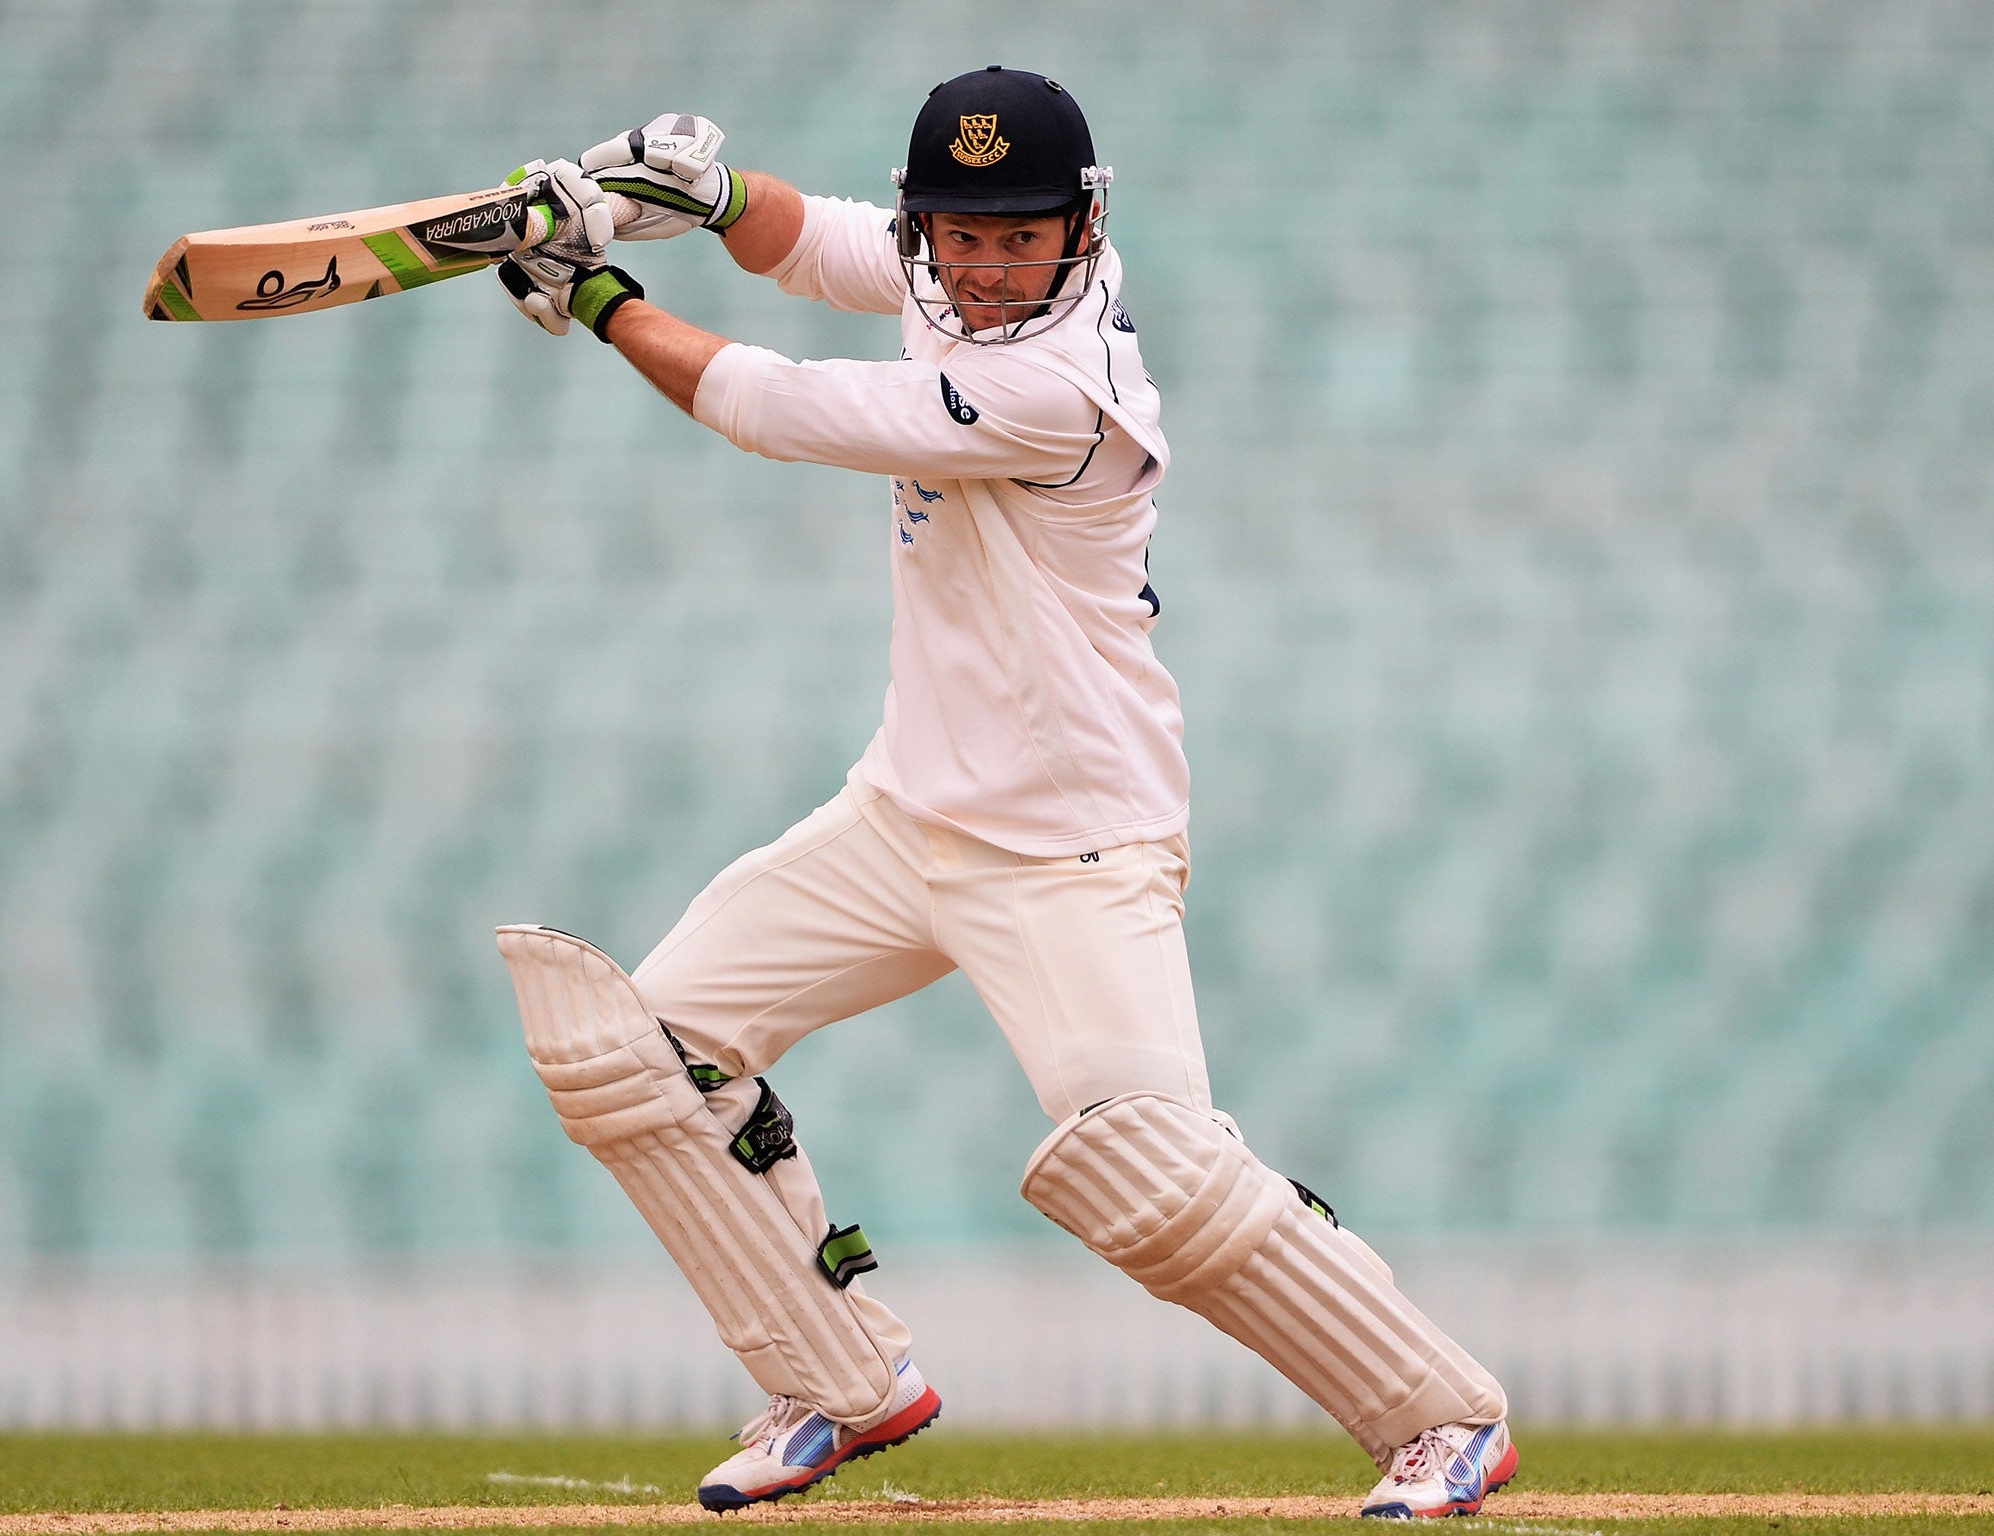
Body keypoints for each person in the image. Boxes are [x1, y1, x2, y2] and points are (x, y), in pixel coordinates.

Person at [489, 66, 1518, 1519]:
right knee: (641, 1052)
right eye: (958, 235)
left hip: (1072, 847)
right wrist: (707, 196)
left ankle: (1441, 1417)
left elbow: (777, 406)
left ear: (1081, 229)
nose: (982, 265)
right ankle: (834, 1381)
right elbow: (815, 241)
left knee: (1152, 1176)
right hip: (906, 815)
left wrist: (596, 294)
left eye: (1017, 236)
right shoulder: (951, 284)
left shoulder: (1059, 385)